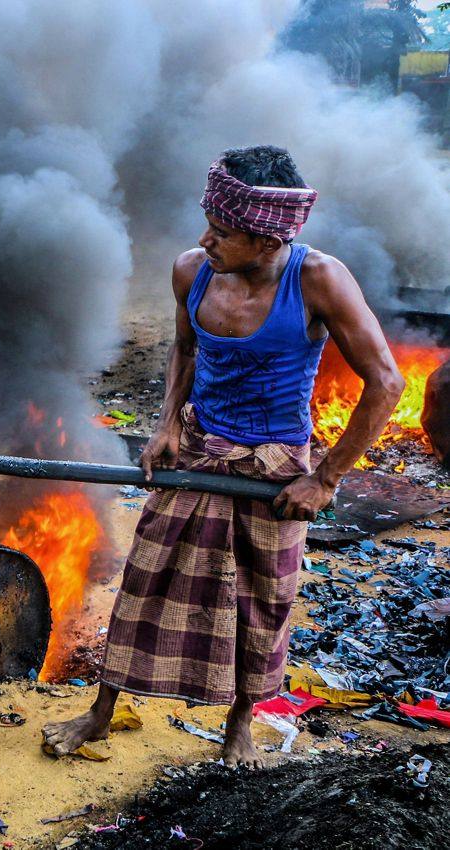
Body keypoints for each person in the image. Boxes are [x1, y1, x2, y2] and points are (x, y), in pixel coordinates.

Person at [41, 145, 405, 768]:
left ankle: (240, 725)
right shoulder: (192, 270)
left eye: (223, 231)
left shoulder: (318, 280)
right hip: (200, 451)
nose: (206, 239)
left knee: (261, 599)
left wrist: (324, 478)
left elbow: (388, 382)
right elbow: (184, 349)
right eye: (208, 221)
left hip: (274, 467)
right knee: (147, 580)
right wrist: (165, 427)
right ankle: (100, 712)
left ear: (266, 241)